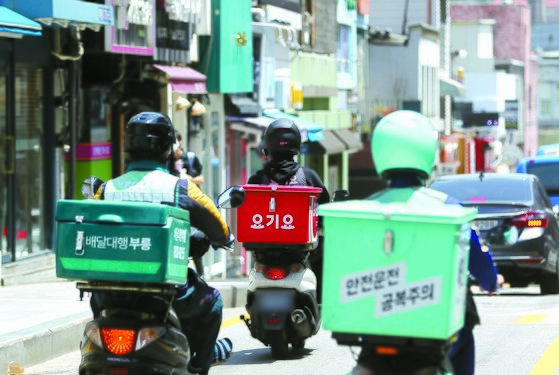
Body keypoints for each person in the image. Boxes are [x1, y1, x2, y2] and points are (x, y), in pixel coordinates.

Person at [354, 110, 499, 375]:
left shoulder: (366, 209)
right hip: (436, 331)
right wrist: (491, 282)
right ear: (428, 154)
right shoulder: (450, 208)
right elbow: (481, 262)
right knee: (464, 335)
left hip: (378, 326)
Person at [91, 112, 233, 375]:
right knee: (212, 303)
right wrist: (224, 239)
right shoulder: (181, 188)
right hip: (169, 294)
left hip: (112, 293)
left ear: (128, 146)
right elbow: (219, 227)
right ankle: (199, 367)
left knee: (96, 304)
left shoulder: (107, 189)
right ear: (168, 147)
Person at [247, 118, 330, 303]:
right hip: (299, 250)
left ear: (267, 145)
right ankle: (321, 302)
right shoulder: (308, 177)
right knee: (322, 250)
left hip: (264, 250)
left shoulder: (257, 179)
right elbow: (324, 205)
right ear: (296, 145)